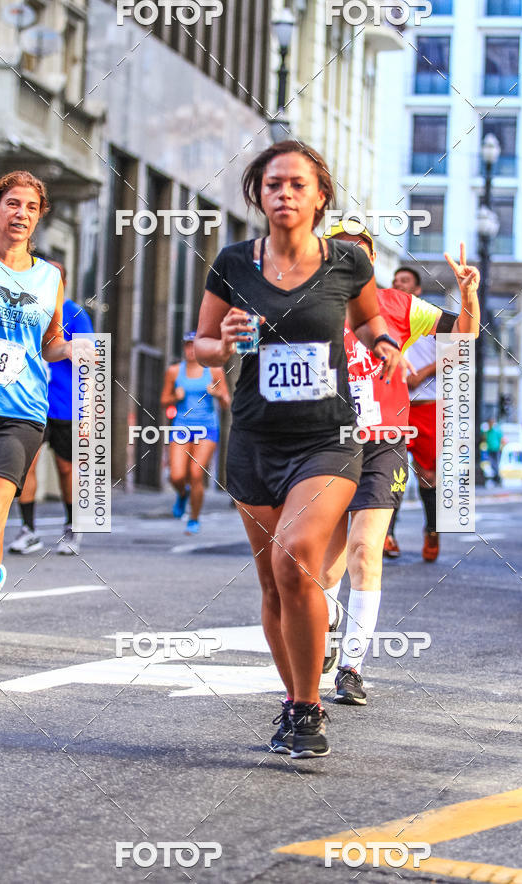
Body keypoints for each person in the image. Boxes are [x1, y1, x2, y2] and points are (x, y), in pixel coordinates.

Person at [194, 140, 409, 758]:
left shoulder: (347, 263)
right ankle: (294, 700)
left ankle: (309, 708)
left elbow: (371, 323)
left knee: (295, 558)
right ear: (257, 196)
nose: (283, 194)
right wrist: (224, 341)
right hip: (256, 441)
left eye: (296, 184)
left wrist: (387, 346)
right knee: (272, 583)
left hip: (328, 440)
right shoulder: (234, 263)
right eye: (272, 185)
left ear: (320, 196)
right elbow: (201, 344)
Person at [320, 228, 480, 705]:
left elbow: (462, 337)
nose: (351, 261)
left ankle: (351, 667)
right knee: (325, 568)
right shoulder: (309, 303)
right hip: (326, 444)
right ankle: (326, 624)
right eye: (341, 253)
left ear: (373, 262)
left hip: (384, 444)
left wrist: (468, 293)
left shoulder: (400, 305)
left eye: (361, 255)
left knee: (365, 552)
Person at [0, 171, 86, 665]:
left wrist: (73, 349)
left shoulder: (49, 278)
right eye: (12, 203)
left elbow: (49, 343)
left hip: (19, 412)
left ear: (39, 218)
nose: (21, 214)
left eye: (31, 207)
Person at [7, 260, 94, 556]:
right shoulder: (26, 308)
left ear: (62, 283)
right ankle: (29, 530)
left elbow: (92, 362)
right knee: (25, 466)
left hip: (65, 405)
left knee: (66, 468)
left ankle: (72, 526)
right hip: (29, 402)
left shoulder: (74, 313)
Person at [386, 267, 441, 561]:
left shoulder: (429, 316)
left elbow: (459, 350)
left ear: (418, 290)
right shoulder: (382, 315)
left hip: (426, 405)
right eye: (395, 282)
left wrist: (423, 373)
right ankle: (387, 534)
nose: (398, 285)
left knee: (427, 475)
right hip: (394, 405)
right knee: (391, 469)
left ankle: (432, 529)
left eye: (405, 282)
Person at [160, 331, 230, 534]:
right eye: (187, 346)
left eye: (194, 346)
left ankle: (194, 518)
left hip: (206, 427)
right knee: (176, 475)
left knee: (196, 473)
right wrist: (175, 396)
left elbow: (226, 402)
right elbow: (164, 399)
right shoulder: (174, 371)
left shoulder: (215, 371)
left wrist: (217, 393)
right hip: (181, 426)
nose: (191, 350)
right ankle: (183, 494)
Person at [485, 418, 504, 484]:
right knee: (492, 463)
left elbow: (502, 439)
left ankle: (497, 477)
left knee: (495, 463)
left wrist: (501, 447)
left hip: (496, 449)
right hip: (490, 449)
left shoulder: (497, 431)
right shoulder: (487, 432)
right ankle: (497, 476)